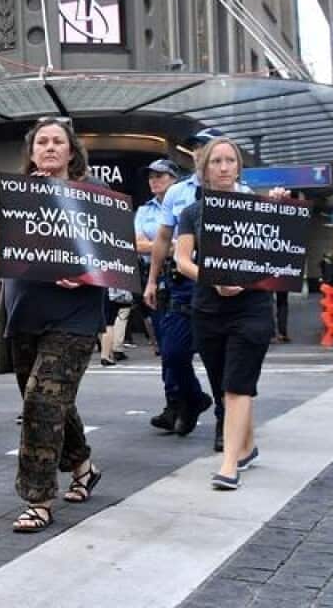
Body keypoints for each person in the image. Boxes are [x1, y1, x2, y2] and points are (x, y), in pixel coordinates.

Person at [0, 117, 103, 533]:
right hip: (25, 313)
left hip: (75, 316)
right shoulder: (20, 191)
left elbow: (114, 254)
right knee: (52, 400)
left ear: (71, 152)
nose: (50, 147)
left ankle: (38, 498)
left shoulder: (94, 196)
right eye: (42, 142)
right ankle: (84, 466)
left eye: (58, 141)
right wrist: (28, 200)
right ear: (32, 152)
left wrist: (86, 272)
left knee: (41, 400)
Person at [172, 137, 276, 489]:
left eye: (230, 160)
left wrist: (277, 207)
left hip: (252, 308)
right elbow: (182, 260)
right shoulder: (191, 213)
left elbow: (277, 253)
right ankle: (246, 447)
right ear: (204, 169)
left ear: (238, 167)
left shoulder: (257, 207)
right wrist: (212, 278)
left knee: (236, 384)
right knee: (224, 384)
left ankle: (229, 464)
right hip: (208, 309)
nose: (223, 167)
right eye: (216, 161)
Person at [144, 129, 228, 447]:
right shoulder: (178, 192)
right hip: (182, 284)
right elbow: (163, 240)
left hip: (223, 287)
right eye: (193, 148)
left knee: (218, 358)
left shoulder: (239, 190)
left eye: (203, 147)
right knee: (173, 353)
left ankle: (225, 419)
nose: (198, 153)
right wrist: (152, 280)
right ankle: (193, 398)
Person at [134, 159, 179, 426]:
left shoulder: (183, 203)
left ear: (174, 178)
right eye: (151, 176)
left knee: (179, 347)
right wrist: (164, 246)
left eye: (161, 175)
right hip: (156, 280)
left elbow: (185, 244)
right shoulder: (144, 210)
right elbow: (135, 244)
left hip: (184, 278)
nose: (154, 180)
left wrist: (157, 245)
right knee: (165, 345)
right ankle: (173, 402)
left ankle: (189, 397)